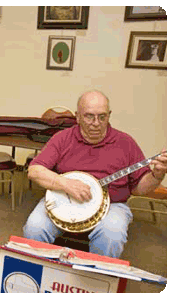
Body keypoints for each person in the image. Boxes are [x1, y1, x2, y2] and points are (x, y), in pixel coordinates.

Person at [23, 90, 167, 258]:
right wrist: (66, 184)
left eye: (102, 117)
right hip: (64, 197)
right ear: (77, 117)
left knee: (111, 234)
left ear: (109, 115)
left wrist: (157, 175)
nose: (96, 123)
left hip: (112, 204)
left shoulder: (125, 142)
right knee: (35, 227)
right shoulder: (62, 138)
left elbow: (139, 188)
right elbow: (34, 170)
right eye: (89, 116)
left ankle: (97, 279)